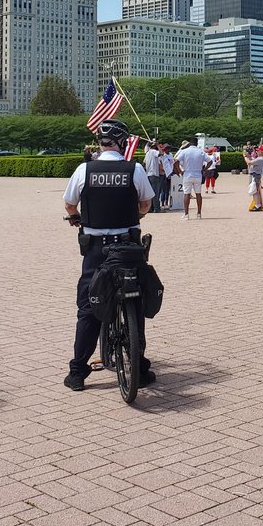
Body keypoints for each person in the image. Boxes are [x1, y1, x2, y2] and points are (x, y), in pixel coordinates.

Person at [62, 120, 156, 391]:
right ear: (123, 142)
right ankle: (138, 364)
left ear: (100, 144)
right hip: (128, 247)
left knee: (89, 307)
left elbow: (69, 204)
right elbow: (146, 204)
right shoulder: (134, 169)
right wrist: (134, 216)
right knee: (135, 300)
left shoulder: (85, 169)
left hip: (96, 249)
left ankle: (78, 372)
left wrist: (78, 219)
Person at [174, 139, 207, 220]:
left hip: (187, 174)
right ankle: (199, 214)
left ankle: (186, 214)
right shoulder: (201, 151)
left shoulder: (185, 151)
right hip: (198, 174)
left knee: (187, 194)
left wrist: (180, 171)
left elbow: (175, 161)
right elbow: (209, 161)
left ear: (189, 143)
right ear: (197, 143)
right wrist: (204, 169)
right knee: (198, 194)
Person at [143, 141, 163, 211]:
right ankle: (156, 208)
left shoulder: (147, 152)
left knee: (149, 193)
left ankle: (150, 208)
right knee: (155, 192)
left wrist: (149, 142)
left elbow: (146, 146)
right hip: (154, 174)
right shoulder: (154, 152)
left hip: (148, 175)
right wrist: (158, 145)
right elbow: (161, 153)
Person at [246, 145, 263, 211]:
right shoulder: (260, 158)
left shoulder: (260, 159)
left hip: (255, 175)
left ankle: (257, 205)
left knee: (254, 191)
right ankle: (257, 204)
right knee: (255, 191)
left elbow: (249, 162)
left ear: (261, 152)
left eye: (258, 151)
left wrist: (245, 157)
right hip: (256, 175)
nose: (257, 151)